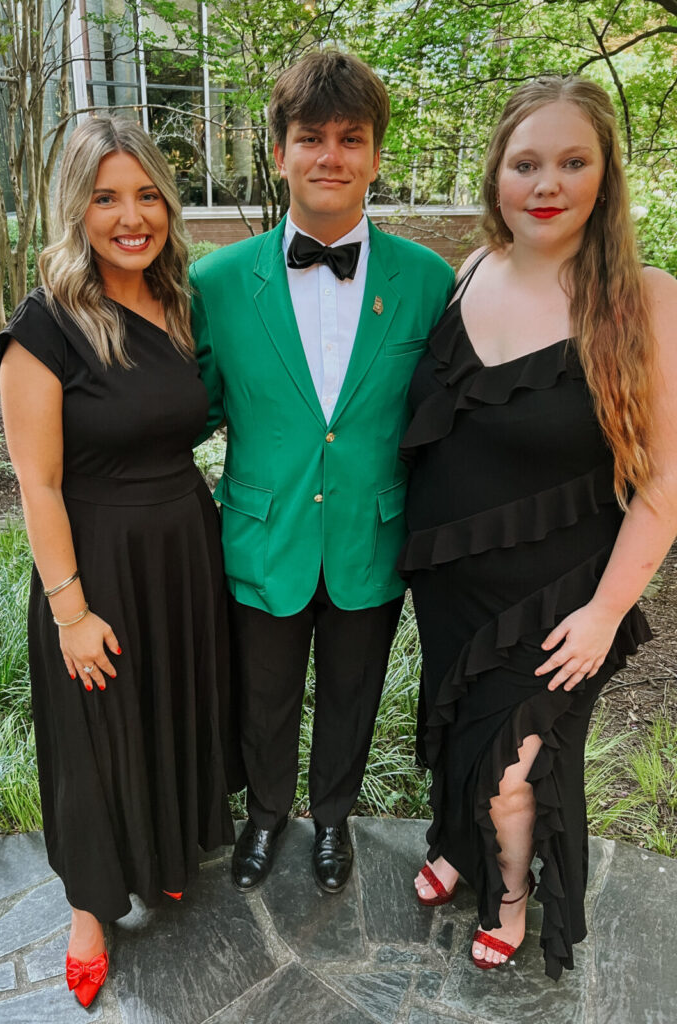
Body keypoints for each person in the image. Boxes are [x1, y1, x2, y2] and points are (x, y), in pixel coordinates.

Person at [398, 74, 677, 979]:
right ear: (496, 175)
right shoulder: (468, 271)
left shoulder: (646, 300)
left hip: (558, 598)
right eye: (526, 162)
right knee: (456, 724)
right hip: (451, 579)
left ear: (606, 176)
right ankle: (454, 843)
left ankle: (512, 897)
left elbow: (665, 480)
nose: (546, 183)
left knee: (517, 768)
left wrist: (604, 613)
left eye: (571, 161)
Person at [191, 50, 454, 895]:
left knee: (352, 693)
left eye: (351, 138)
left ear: (376, 156)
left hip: (369, 537)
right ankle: (266, 817)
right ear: (279, 152)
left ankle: (332, 818)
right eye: (311, 137)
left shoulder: (429, 281)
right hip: (264, 536)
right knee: (262, 698)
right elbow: (184, 410)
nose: (330, 156)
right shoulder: (218, 281)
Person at [0, 116, 243, 1007]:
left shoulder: (173, 302)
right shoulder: (46, 327)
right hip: (94, 559)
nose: (131, 217)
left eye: (146, 196)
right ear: (78, 209)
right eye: (107, 198)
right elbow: (38, 483)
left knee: (168, 709)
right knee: (93, 741)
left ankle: (166, 854)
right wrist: (70, 609)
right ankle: (90, 912)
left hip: (181, 547)